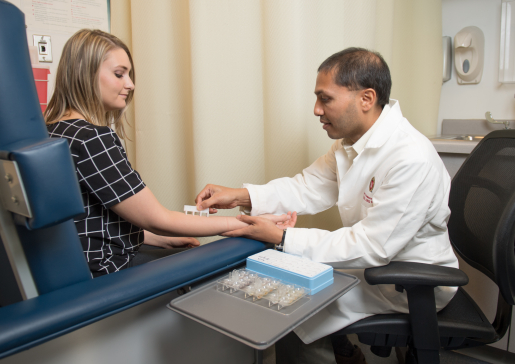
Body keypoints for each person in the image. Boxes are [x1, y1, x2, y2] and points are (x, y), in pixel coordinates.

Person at [196, 48, 459, 364]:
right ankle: (342, 352)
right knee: (283, 283)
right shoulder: (351, 144)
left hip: (411, 284)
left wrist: (282, 238)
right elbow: (306, 187)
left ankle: (332, 353)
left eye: (326, 99)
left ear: (366, 98)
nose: (316, 109)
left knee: (289, 304)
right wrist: (240, 196)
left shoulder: (410, 158)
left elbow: (373, 246)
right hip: (378, 268)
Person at [45, 29, 295, 278]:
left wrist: (158, 238)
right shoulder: (92, 138)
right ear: (84, 75)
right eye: (119, 74)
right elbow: (158, 218)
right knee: (245, 254)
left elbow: (89, 220)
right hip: (108, 269)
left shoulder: (54, 132)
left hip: (83, 260)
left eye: (129, 75)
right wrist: (244, 226)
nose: (130, 85)